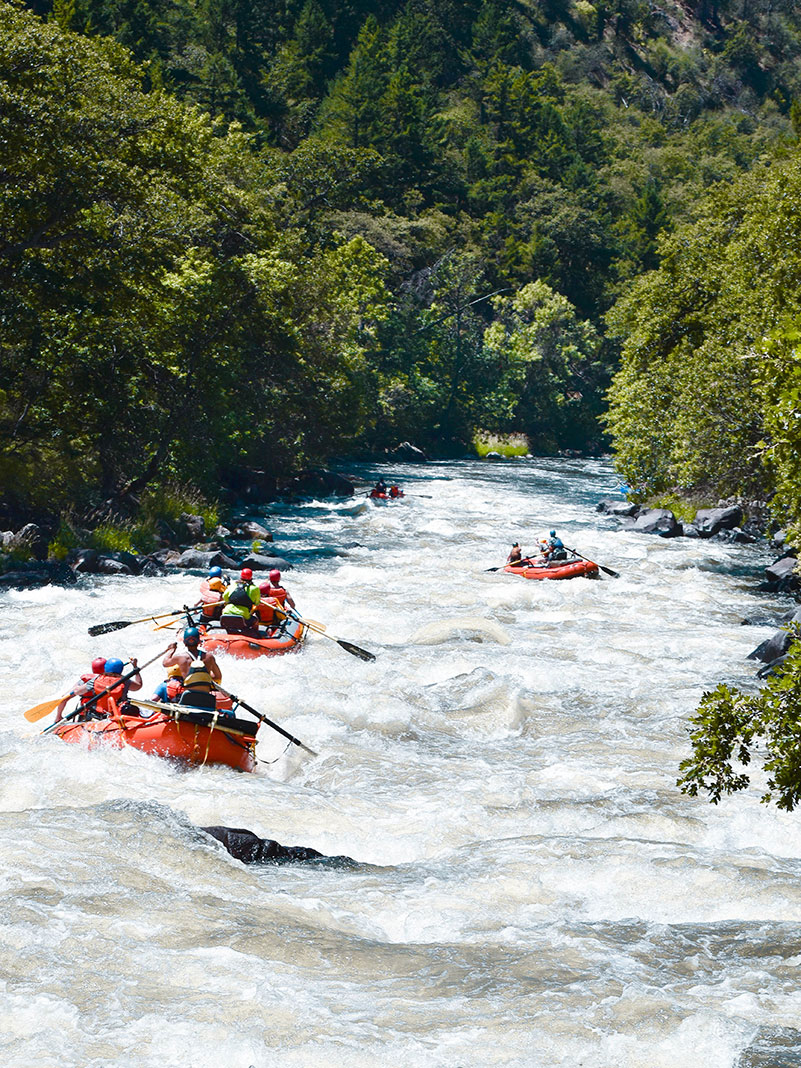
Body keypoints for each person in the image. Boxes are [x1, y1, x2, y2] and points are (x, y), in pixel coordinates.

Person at [54, 657, 108, 722]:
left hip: (85, 715)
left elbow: (64, 698)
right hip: (105, 715)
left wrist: (58, 716)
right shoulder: (111, 681)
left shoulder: (82, 682)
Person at [220, 568, 261, 634]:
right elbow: (257, 603)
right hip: (243, 617)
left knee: (223, 610)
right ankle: (255, 637)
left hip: (226, 614)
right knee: (255, 620)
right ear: (251, 577)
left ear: (241, 577)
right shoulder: (255, 588)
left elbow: (225, 597)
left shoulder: (233, 585)